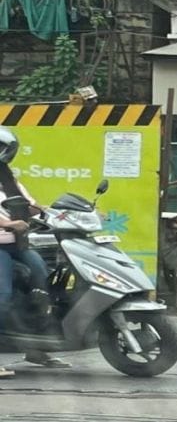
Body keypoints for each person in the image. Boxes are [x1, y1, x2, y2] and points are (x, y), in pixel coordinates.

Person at [0, 127, 71, 376]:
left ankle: (35, 348)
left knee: (42, 283)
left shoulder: (9, 180)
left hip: (17, 244)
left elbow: (29, 206)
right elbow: (9, 217)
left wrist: (58, 212)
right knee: (2, 295)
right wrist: (8, 223)